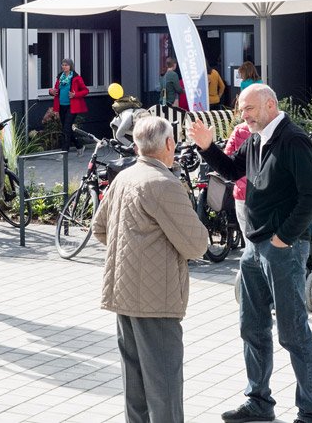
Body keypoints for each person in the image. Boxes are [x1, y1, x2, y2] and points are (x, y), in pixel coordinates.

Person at [190, 85, 312, 423]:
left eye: (248, 108)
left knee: (293, 332)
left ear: (270, 104)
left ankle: (311, 413)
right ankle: (259, 401)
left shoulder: (293, 140)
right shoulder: (255, 138)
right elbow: (234, 171)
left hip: (283, 248)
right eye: (240, 109)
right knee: (252, 327)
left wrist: (283, 238)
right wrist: (207, 146)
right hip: (253, 248)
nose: (243, 115)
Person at [91, 115, 209, 423]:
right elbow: (197, 244)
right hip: (156, 299)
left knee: (135, 385)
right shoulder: (163, 184)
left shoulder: (123, 177)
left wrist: (135, 253)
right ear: (169, 144)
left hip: (123, 291)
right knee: (164, 386)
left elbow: (99, 228)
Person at [48, 58, 88, 151]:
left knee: (66, 129)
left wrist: (75, 94)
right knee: (67, 128)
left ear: (70, 66)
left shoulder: (76, 77)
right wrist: (51, 92)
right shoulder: (60, 77)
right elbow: (55, 90)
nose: (64, 66)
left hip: (72, 107)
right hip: (61, 106)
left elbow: (86, 91)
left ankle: (64, 152)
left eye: (66, 65)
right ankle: (79, 146)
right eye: (63, 65)